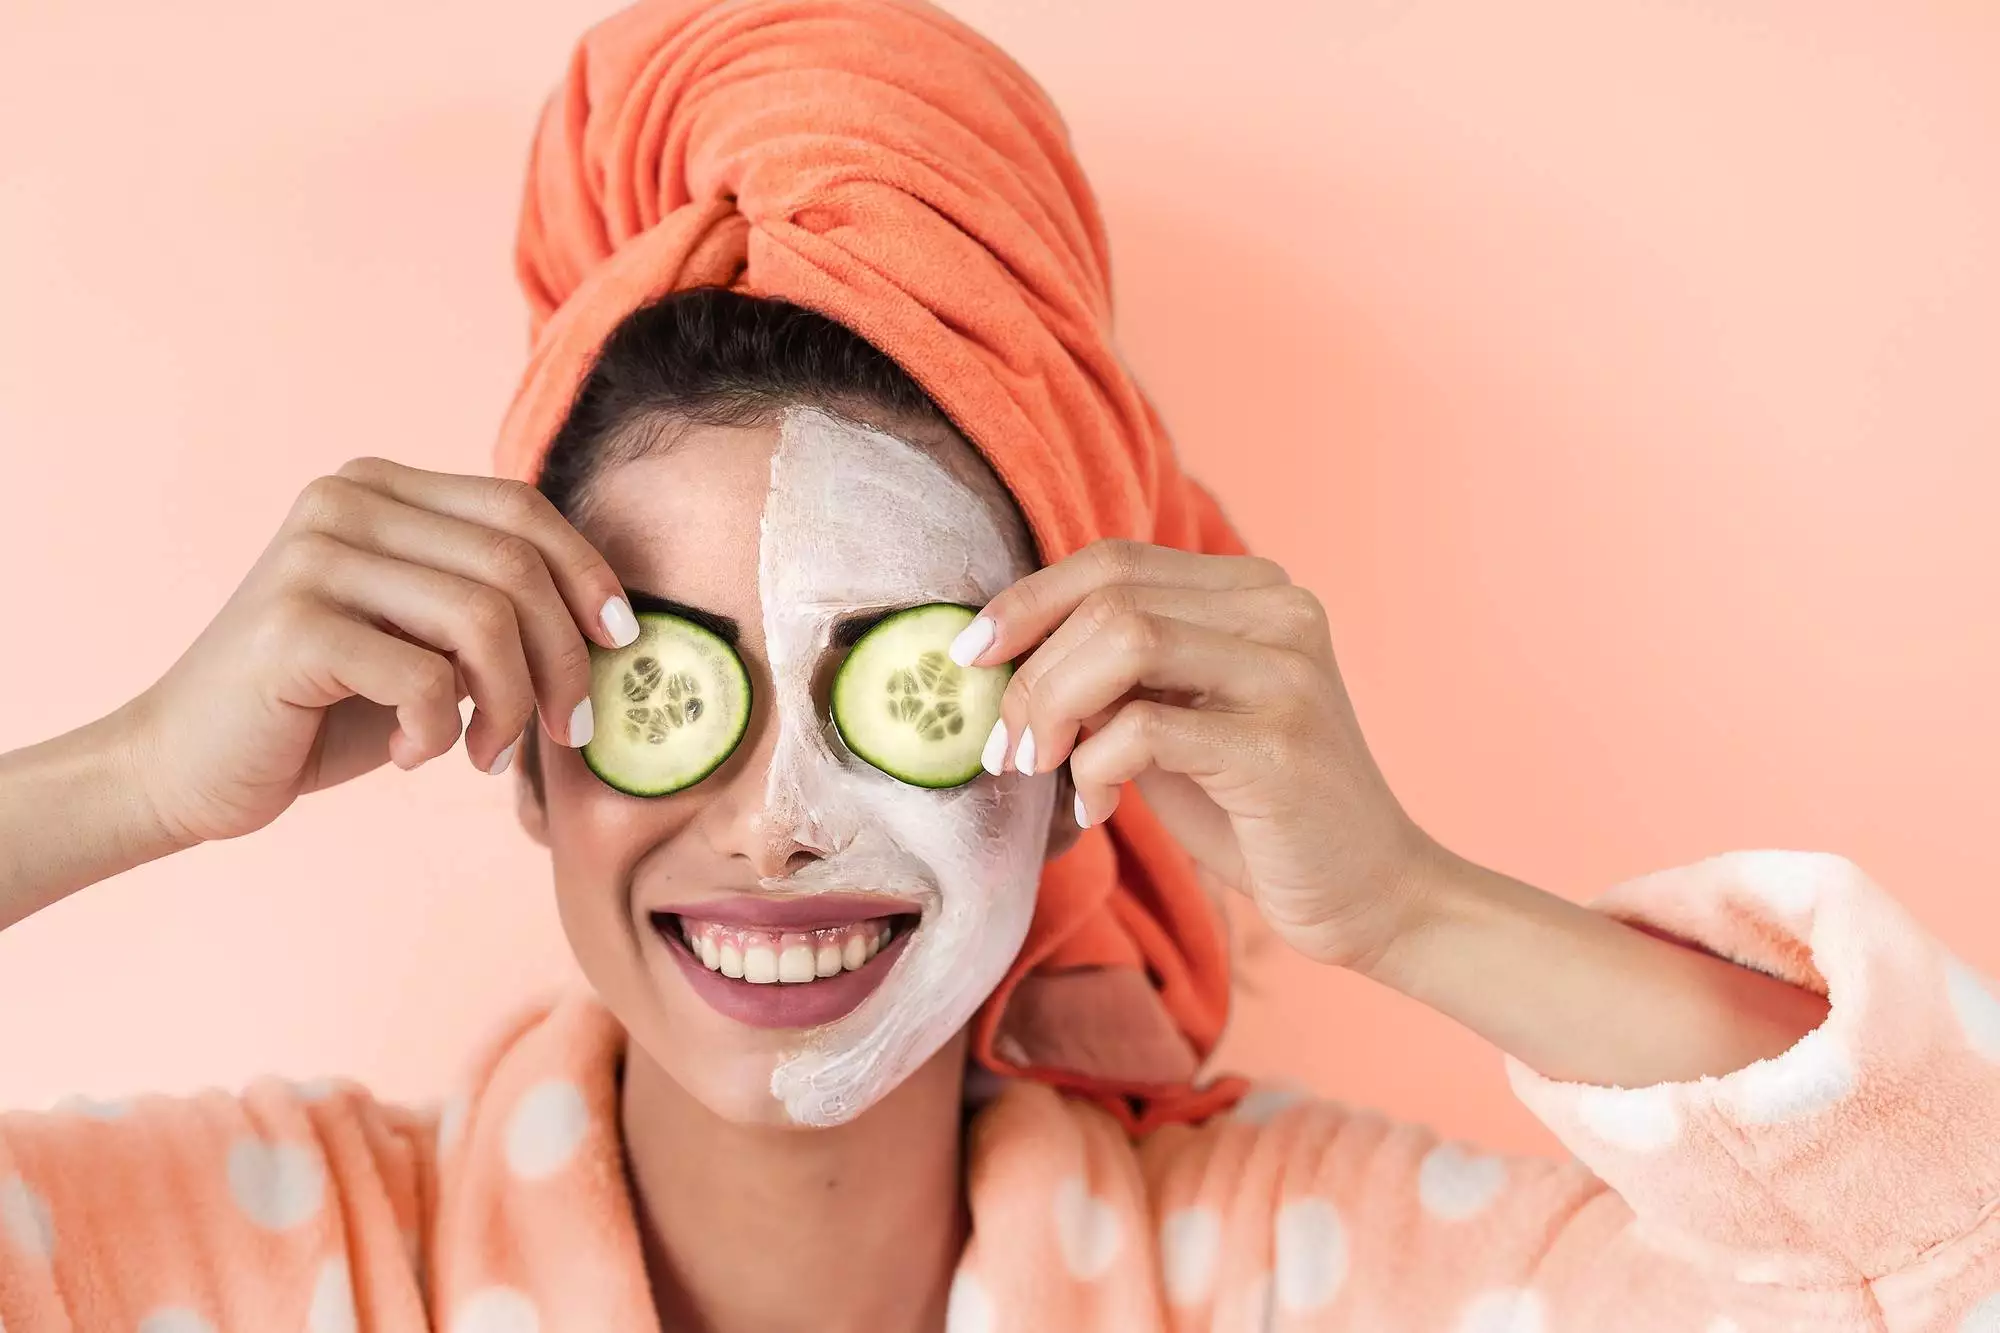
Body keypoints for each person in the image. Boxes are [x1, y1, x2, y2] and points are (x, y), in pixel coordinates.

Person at [1, 2, 1996, 1331]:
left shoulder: (1313, 1278)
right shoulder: (248, 1262)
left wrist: (1402, 896)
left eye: (903, 686)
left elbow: (1931, 1261)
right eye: (665, 680)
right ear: (525, 747)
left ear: (1070, 745)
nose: (773, 824)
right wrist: (121, 782)